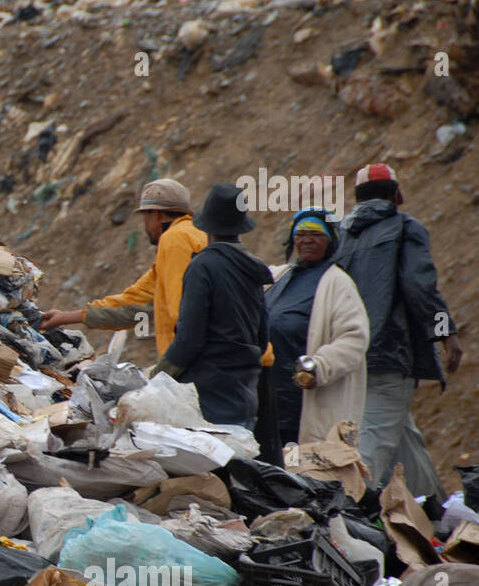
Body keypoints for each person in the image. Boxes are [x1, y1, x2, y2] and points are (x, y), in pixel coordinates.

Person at [331, 163, 461, 505]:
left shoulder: (343, 236)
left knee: (404, 441)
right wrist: (447, 334)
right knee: (371, 446)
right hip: (390, 354)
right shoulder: (404, 229)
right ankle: (344, 510)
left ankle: (434, 512)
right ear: (395, 195)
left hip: (350, 356)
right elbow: (420, 288)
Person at [40, 179, 207, 355]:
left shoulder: (174, 240)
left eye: (145, 217)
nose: (145, 226)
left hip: (197, 362)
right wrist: (64, 317)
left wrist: (172, 367)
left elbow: (182, 314)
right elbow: (133, 303)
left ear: (157, 214)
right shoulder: (199, 236)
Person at [153, 183, 272, 428]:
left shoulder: (202, 266)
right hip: (245, 395)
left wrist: (158, 377)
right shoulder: (252, 268)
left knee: (209, 466)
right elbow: (261, 340)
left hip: (208, 399)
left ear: (206, 225)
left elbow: (189, 340)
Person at [265, 209, 370, 446]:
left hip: (304, 400)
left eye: (316, 234)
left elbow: (354, 339)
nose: (306, 240)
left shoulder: (338, 284)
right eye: (300, 234)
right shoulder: (279, 276)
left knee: (301, 470)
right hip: (269, 399)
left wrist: (319, 366)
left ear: (331, 240)